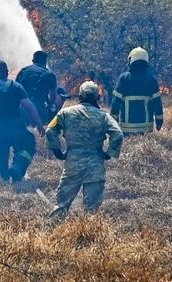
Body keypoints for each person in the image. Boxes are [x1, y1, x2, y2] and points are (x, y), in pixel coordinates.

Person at [45, 81, 123, 221]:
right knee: (91, 211)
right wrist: (108, 153)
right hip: (95, 167)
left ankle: (51, 233)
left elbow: (50, 131)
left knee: (61, 206)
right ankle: (89, 238)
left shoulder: (65, 113)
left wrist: (59, 153)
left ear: (80, 96)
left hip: (72, 166)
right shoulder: (104, 116)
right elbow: (117, 134)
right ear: (96, 97)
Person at [0, 60, 45, 183]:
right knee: (27, 145)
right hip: (15, 128)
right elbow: (29, 106)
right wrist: (39, 124)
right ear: (7, 72)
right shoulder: (16, 86)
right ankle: (17, 167)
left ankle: (4, 180)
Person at [109, 47, 163, 135]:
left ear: (131, 60)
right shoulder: (151, 79)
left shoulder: (124, 78)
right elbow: (157, 103)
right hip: (146, 129)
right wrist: (159, 122)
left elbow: (116, 102)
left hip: (127, 128)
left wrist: (113, 122)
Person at [16, 51, 59, 123]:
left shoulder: (23, 71)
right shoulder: (49, 74)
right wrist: (49, 106)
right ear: (45, 61)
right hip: (40, 109)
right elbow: (53, 96)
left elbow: (15, 90)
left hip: (23, 109)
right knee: (42, 131)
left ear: (33, 61)